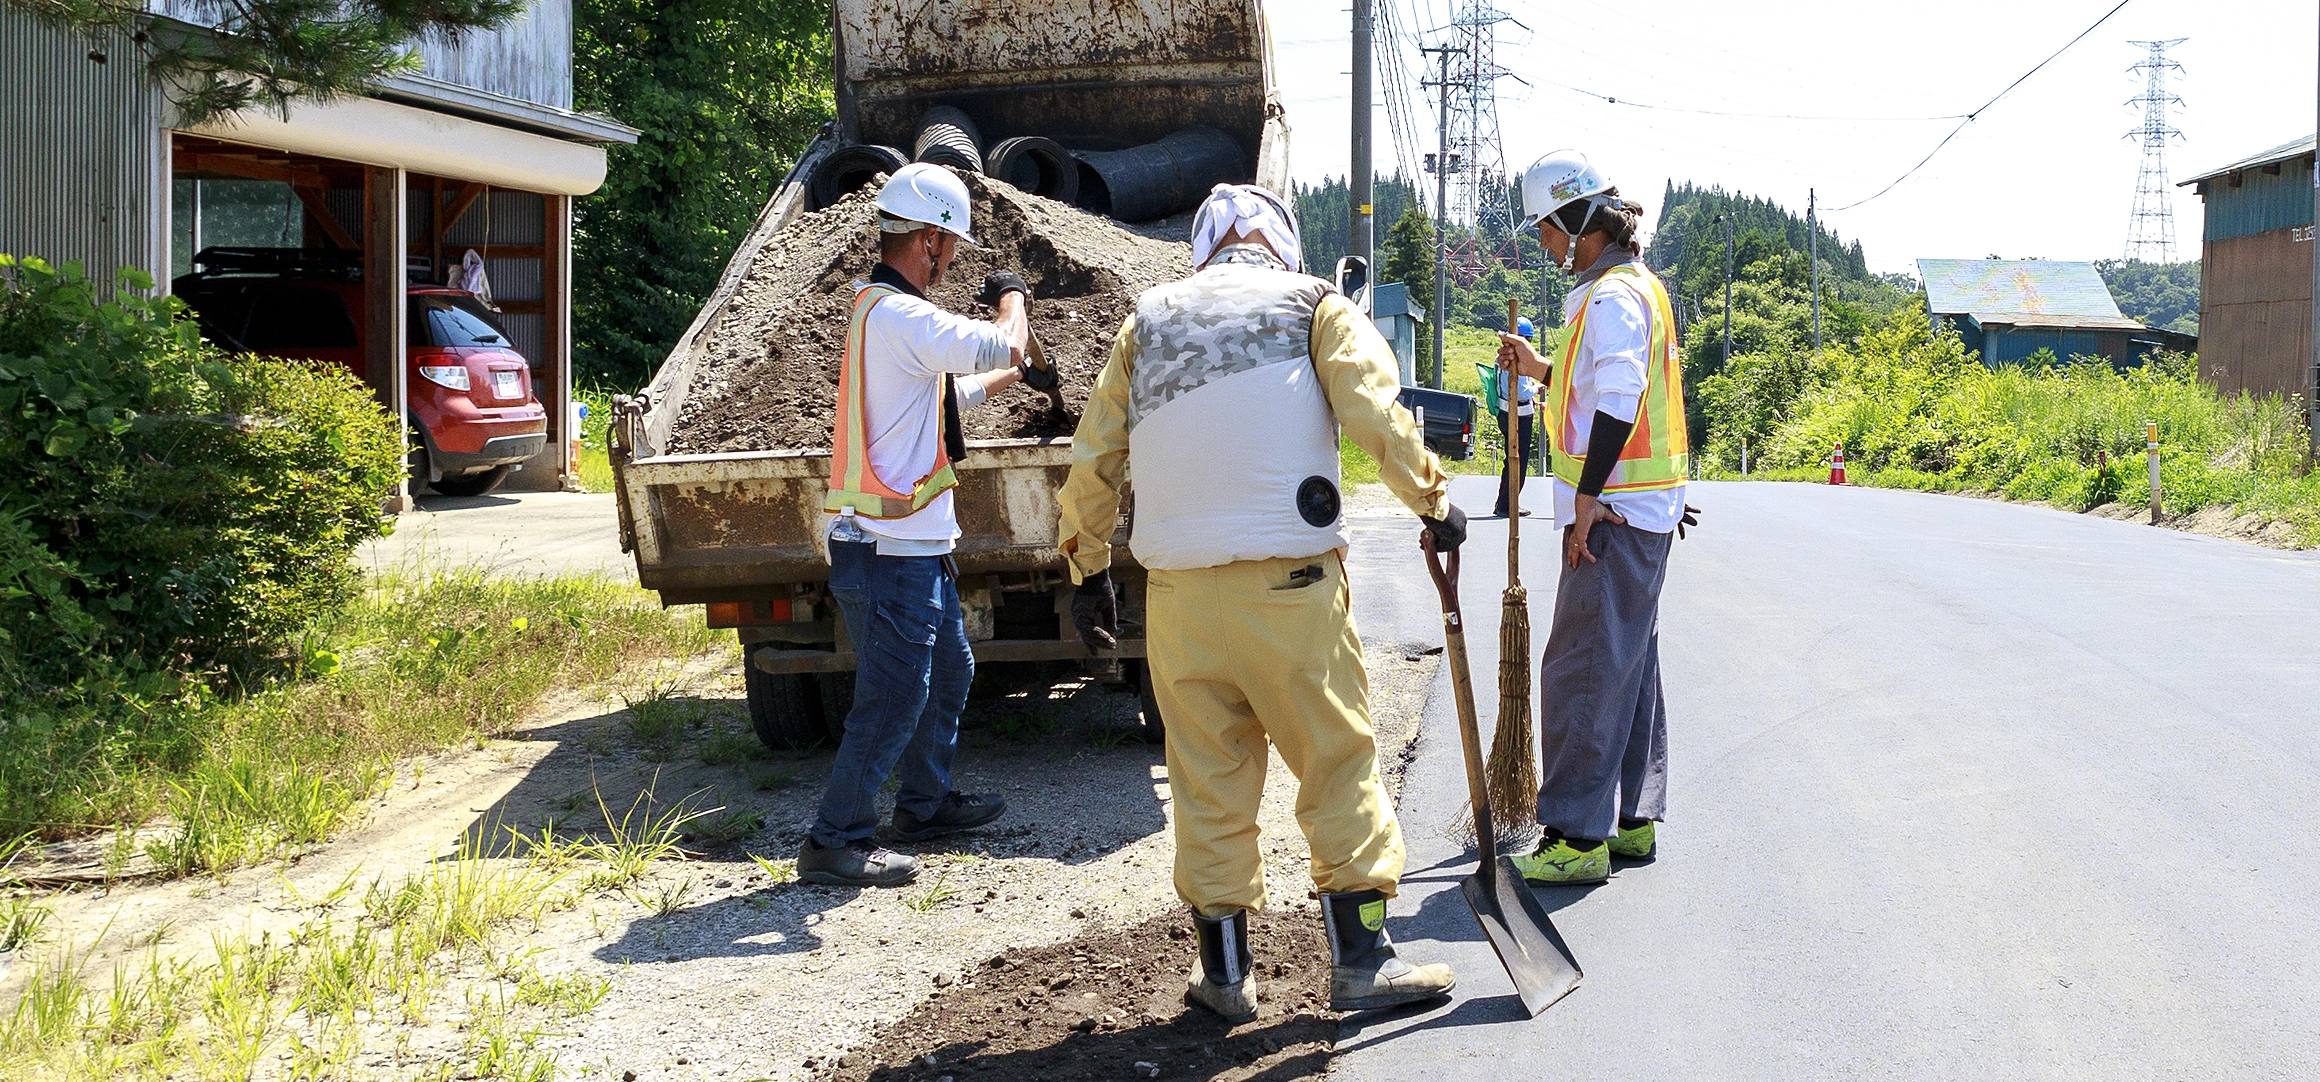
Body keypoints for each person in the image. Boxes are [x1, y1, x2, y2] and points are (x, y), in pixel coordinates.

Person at [1055, 183, 1466, 1020]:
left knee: (1206, 778)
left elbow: (1095, 451)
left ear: (1204, 249)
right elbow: (1374, 413)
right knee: (1335, 761)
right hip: (1290, 593)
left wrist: (1085, 566)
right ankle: (1361, 961)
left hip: (1177, 601)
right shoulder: (1316, 304)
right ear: (1281, 245)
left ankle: (1225, 978)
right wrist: (1435, 502)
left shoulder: (1148, 322)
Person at [796, 163, 1060, 888]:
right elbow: (999, 341)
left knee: (948, 671)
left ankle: (924, 803)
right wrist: (1012, 297)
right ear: (931, 243)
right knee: (893, 697)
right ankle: (835, 839)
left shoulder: (884, 318)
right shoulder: (898, 315)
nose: (950, 263)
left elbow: (955, 395)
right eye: (950, 248)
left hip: (909, 546)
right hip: (890, 550)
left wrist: (1020, 377)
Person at [1495, 151, 1700, 886]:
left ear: (1579, 224)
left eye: (1547, 230)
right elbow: (1603, 388)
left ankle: (1577, 837)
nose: (1544, 245)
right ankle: (1633, 822)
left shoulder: (1612, 298)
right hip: (1644, 507)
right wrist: (1541, 368)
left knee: (1583, 667)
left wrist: (1585, 503)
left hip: (1611, 512)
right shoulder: (1636, 288)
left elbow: (1619, 402)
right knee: (1628, 663)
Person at [1491, 315, 1540, 518]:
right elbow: (1521, 392)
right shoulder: (1517, 360)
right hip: (1518, 415)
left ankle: (1505, 502)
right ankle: (1507, 504)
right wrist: (1537, 389)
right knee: (1517, 461)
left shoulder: (1504, 358)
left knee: (1511, 460)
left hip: (1506, 411)